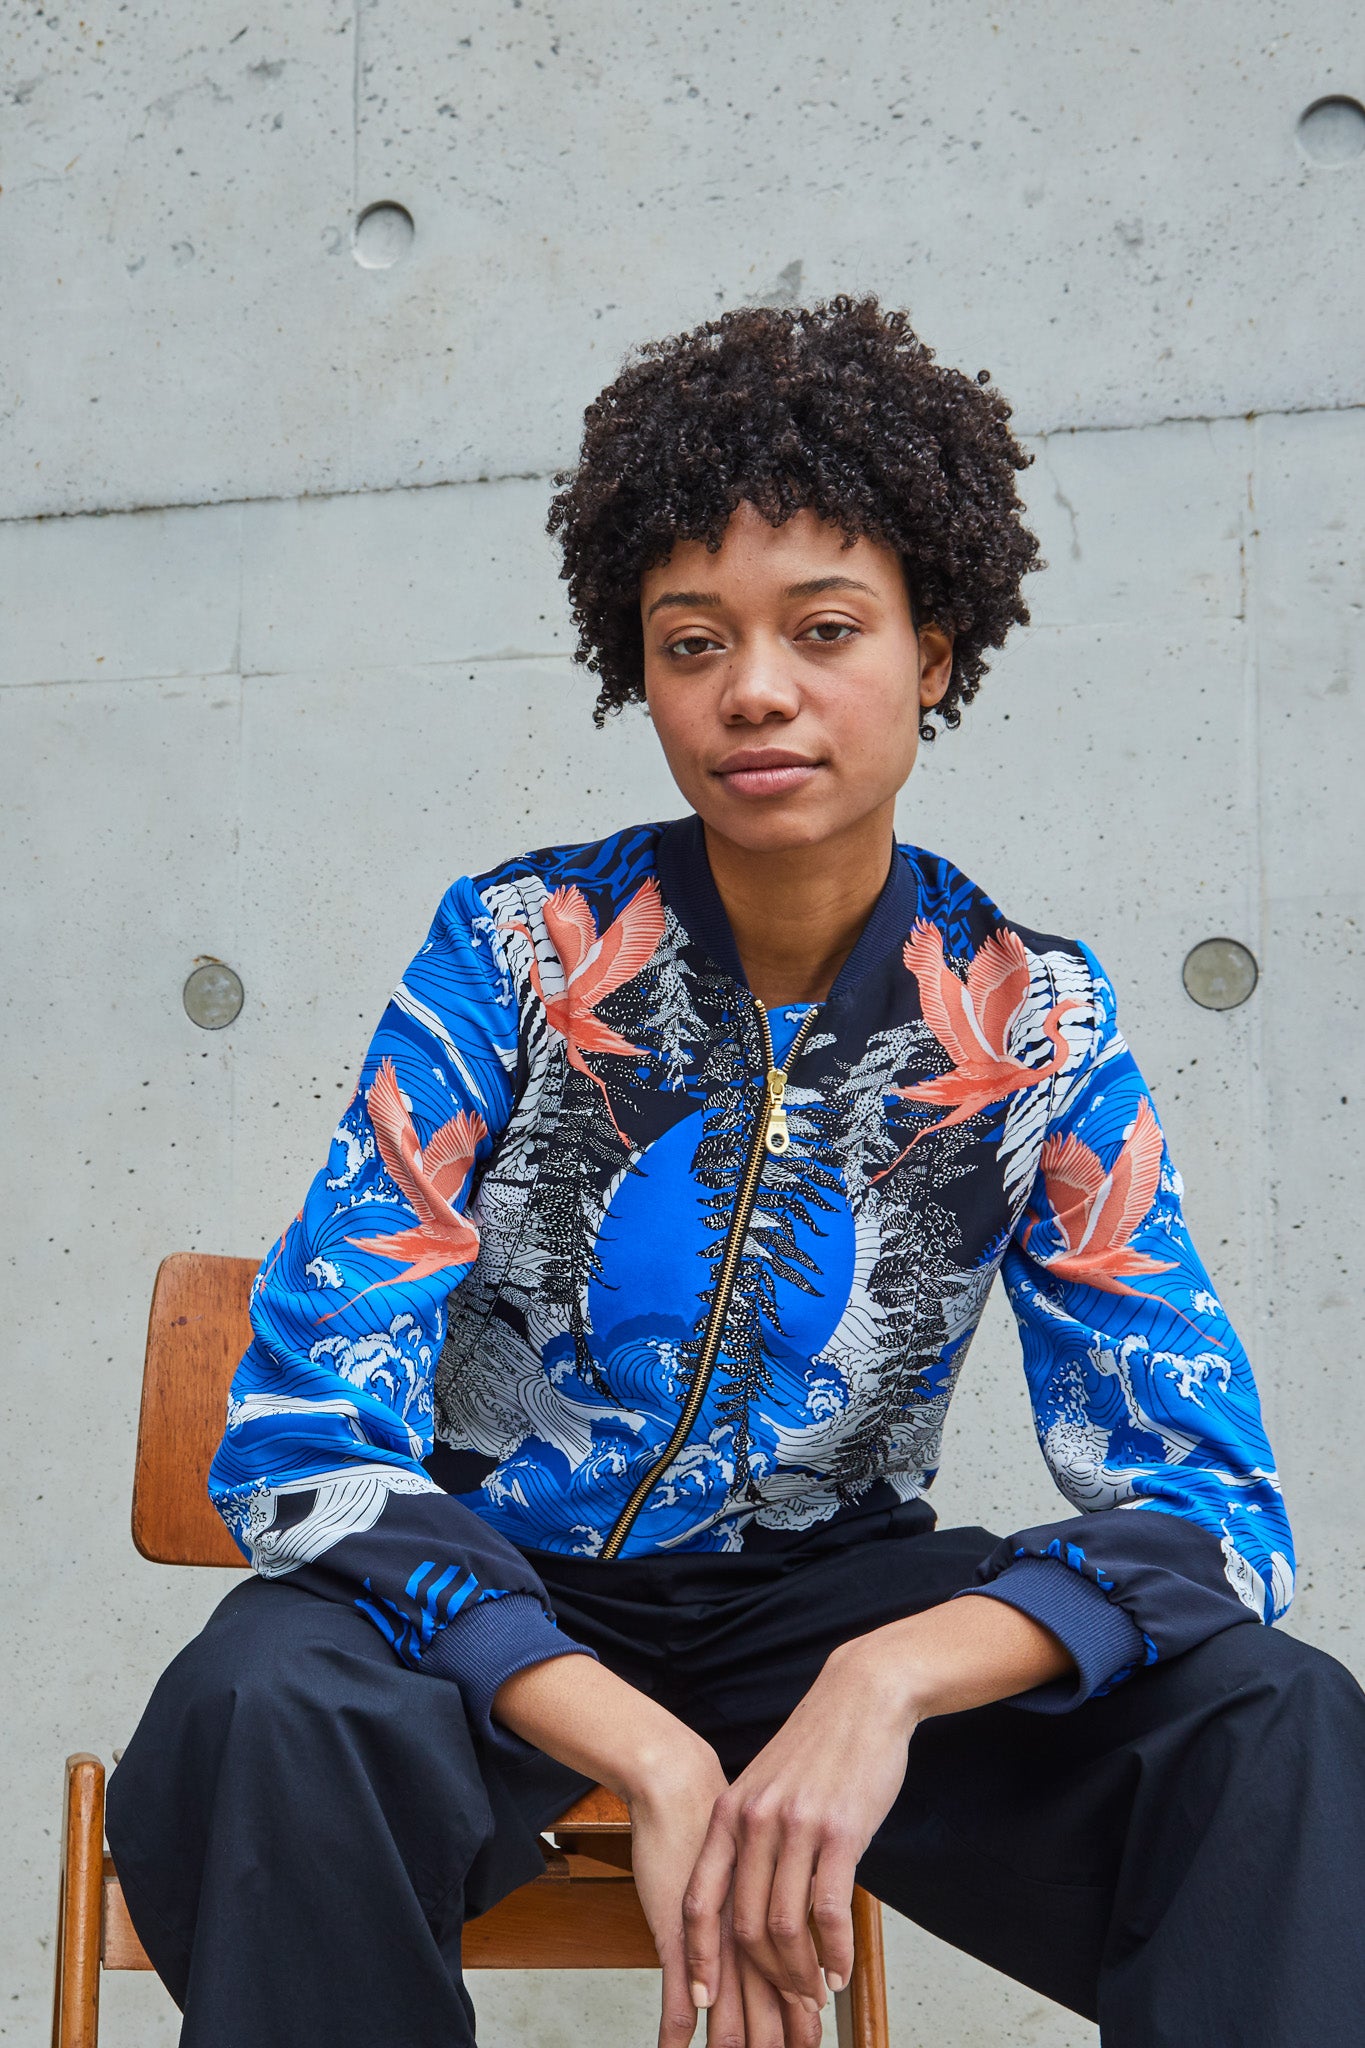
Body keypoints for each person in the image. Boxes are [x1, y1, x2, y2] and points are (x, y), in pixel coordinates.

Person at [108, 299, 1364, 2048]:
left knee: (1273, 1727)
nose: (752, 689)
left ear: (934, 651)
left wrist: (883, 1677)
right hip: (494, 1590)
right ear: (642, 669)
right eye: (690, 641)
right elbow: (302, 1432)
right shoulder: (524, 950)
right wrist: (636, 1736)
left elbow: (1216, 1508)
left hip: (828, 1594)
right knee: (264, 1704)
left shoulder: (1033, 1019)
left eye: (824, 629)